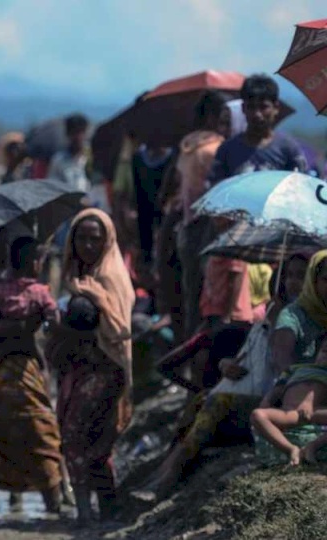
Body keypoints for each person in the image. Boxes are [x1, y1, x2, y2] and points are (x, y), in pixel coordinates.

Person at [138, 252, 308, 499]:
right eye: (289, 275)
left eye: (301, 276)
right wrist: (226, 365)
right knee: (201, 401)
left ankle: (169, 476)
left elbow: (288, 368)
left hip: (276, 402)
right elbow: (248, 356)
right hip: (252, 392)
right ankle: (163, 472)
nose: (293, 282)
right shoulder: (272, 312)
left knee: (217, 401)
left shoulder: (305, 321)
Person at [0, 236, 64, 513]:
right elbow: (53, 322)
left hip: (4, 361)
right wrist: (29, 328)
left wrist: (8, 329)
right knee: (41, 435)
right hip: (22, 363)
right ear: (35, 263)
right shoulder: (40, 291)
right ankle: (54, 511)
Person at [47, 209, 134, 523]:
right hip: (76, 368)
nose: (87, 245)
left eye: (94, 239)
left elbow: (117, 329)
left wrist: (65, 329)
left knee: (75, 436)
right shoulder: (74, 275)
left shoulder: (110, 277)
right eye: (81, 238)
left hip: (104, 368)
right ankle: (108, 507)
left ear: (106, 241)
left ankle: (85, 510)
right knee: (93, 439)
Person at [250, 250, 327, 465]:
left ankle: (312, 447)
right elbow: (281, 359)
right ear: (314, 281)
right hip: (293, 402)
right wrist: (296, 381)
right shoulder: (292, 314)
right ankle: (292, 448)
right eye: (326, 280)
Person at [174, 91, 231, 339]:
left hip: (188, 225)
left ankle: (190, 345)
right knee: (213, 296)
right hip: (210, 226)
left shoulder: (188, 146)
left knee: (192, 294)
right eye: (225, 119)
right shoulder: (216, 149)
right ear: (212, 118)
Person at [209, 74, 307, 183]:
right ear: (243, 108)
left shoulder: (288, 149)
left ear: (276, 108)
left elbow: (300, 185)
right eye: (251, 107)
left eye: (263, 107)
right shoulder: (227, 150)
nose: (257, 114)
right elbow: (216, 188)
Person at [48, 113, 91, 193]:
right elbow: (52, 186)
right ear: (68, 134)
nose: (78, 137)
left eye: (81, 132)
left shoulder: (90, 158)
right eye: (74, 132)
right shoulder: (58, 160)